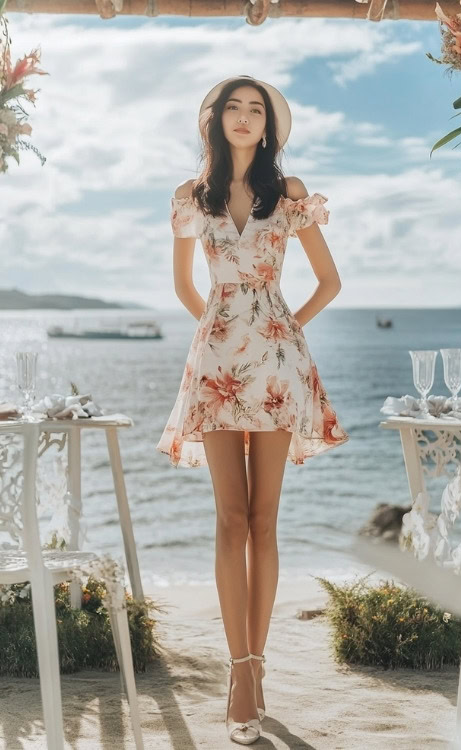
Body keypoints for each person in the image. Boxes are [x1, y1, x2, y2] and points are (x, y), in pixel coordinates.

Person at [156, 74, 349, 744]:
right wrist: (218, 332)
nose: (243, 117)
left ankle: (254, 670)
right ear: (217, 120)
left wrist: (279, 330)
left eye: (255, 109)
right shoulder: (190, 197)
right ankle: (240, 669)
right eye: (233, 107)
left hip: (273, 369)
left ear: (269, 127)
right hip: (215, 370)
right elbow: (185, 284)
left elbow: (330, 281)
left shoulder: (287, 194)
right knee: (228, 520)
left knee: (264, 521)